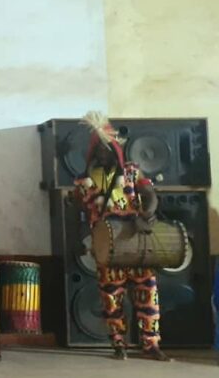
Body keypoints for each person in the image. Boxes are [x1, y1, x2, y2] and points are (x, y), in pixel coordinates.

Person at [72, 111, 169, 362]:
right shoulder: (84, 182)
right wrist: (80, 239)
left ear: (116, 149)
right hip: (107, 248)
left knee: (148, 294)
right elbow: (77, 212)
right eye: (100, 149)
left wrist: (147, 214)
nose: (104, 153)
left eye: (108, 148)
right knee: (111, 300)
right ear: (93, 152)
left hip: (137, 242)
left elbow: (150, 195)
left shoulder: (132, 172)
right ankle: (118, 344)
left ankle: (151, 345)